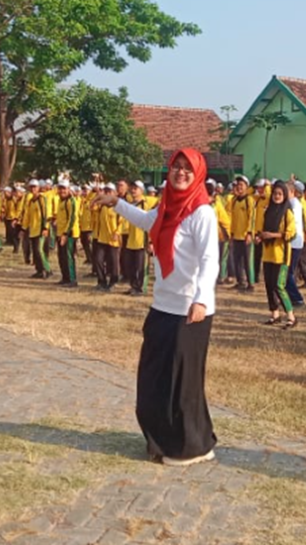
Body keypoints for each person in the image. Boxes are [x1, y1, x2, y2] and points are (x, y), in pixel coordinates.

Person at [94, 148, 219, 467]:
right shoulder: (167, 205)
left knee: (182, 384)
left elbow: (209, 260)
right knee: (154, 379)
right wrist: (116, 203)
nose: (180, 173)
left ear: (198, 174)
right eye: (176, 167)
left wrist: (201, 299)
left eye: (187, 169)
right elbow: (148, 221)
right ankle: (163, 439)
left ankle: (190, 447)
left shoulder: (201, 212)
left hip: (190, 311)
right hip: (163, 305)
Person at [255, 180, 297, 328]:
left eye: (280, 194)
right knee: (269, 285)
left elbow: (291, 234)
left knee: (279, 286)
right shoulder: (268, 211)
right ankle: (275, 314)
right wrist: (259, 236)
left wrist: (272, 235)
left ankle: (291, 316)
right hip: (268, 254)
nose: (276, 196)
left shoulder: (287, 212)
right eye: (275, 193)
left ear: (285, 195)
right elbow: (261, 228)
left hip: (282, 256)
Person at [93, 183, 121, 290]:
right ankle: (101, 281)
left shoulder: (118, 206)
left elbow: (121, 222)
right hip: (102, 238)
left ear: (114, 193)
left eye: (110, 191)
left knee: (113, 262)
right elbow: (91, 207)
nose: (108, 193)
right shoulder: (101, 206)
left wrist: (117, 233)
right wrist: (97, 195)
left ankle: (113, 282)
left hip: (113, 239)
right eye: (106, 191)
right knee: (98, 260)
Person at [229, 175, 255, 291]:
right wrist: (231, 233)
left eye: (241, 185)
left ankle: (251, 284)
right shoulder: (234, 200)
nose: (239, 187)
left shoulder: (249, 200)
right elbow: (230, 216)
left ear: (246, 187)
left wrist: (249, 233)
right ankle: (240, 282)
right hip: (236, 235)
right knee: (237, 260)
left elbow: (252, 218)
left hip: (245, 236)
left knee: (247, 261)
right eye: (237, 185)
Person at [26, 180, 52, 279]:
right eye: (31, 187)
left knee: (39, 250)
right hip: (33, 229)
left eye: (35, 187)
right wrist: (24, 228)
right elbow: (28, 216)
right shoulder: (31, 201)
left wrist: (45, 227)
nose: (33, 189)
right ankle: (39, 270)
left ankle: (47, 269)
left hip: (41, 229)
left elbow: (46, 213)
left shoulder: (42, 199)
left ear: (38, 188)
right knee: (35, 251)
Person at [56, 180, 80, 288]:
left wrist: (66, 233)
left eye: (64, 189)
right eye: (60, 189)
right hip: (60, 233)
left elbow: (72, 218)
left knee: (69, 256)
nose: (62, 191)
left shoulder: (71, 201)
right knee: (62, 256)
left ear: (68, 189)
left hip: (69, 234)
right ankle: (65, 277)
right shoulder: (61, 201)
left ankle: (72, 279)